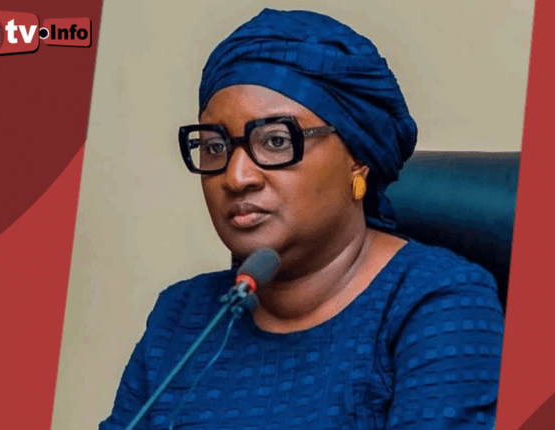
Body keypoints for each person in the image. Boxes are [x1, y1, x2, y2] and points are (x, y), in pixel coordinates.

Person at [100, 8, 504, 430]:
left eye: (276, 141)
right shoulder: (183, 316)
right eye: (216, 147)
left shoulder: (437, 303)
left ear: (358, 158)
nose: (236, 177)